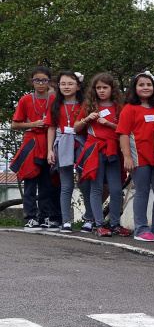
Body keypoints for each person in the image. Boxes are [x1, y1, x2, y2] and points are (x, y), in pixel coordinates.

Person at [76, 72, 130, 237]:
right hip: (94, 149)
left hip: (113, 149)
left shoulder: (118, 106)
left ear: (111, 89)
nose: (101, 91)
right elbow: (76, 128)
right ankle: (98, 224)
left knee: (115, 189)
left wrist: (110, 124)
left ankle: (114, 223)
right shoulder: (89, 106)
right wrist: (87, 119)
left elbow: (125, 129)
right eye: (98, 87)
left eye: (105, 87)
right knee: (96, 188)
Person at [116, 72, 154, 242]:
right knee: (142, 192)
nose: (145, 87)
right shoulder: (129, 108)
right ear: (134, 88)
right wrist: (127, 157)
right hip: (139, 158)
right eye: (141, 84)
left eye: (148, 84)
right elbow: (123, 134)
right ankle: (141, 229)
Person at [11, 67, 61, 231]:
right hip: (31, 141)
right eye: (37, 80)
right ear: (31, 81)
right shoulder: (25, 100)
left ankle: (45, 216)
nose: (41, 83)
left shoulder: (54, 99)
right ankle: (30, 218)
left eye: (44, 80)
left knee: (48, 182)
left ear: (49, 82)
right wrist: (33, 124)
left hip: (49, 141)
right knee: (30, 181)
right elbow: (15, 124)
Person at [46, 71, 92, 233]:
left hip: (81, 143)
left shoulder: (86, 104)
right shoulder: (55, 104)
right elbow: (51, 127)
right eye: (63, 84)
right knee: (66, 185)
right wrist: (50, 150)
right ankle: (66, 220)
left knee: (86, 182)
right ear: (58, 86)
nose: (67, 87)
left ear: (78, 86)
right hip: (63, 142)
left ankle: (89, 219)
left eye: (70, 83)